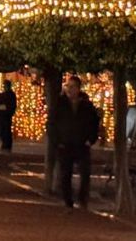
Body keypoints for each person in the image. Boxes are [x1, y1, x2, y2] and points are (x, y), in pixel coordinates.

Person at [50, 75, 100, 209]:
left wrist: (90, 139)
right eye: (68, 86)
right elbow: (52, 124)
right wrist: (57, 141)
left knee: (85, 173)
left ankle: (83, 199)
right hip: (65, 144)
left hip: (82, 144)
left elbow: (94, 123)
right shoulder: (60, 104)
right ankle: (68, 201)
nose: (69, 89)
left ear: (78, 89)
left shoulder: (86, 106)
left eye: (72, 87)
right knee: (66, 174)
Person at [0, 80, 18, 152]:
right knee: (3, 130)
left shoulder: (10, 95)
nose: (5, 87)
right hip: (2, 115)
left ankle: (7, 145)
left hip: (6, 115)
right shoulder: (4, 94)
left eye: (5, 85)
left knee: (6, 130)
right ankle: (5, 145)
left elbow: (12, 105)